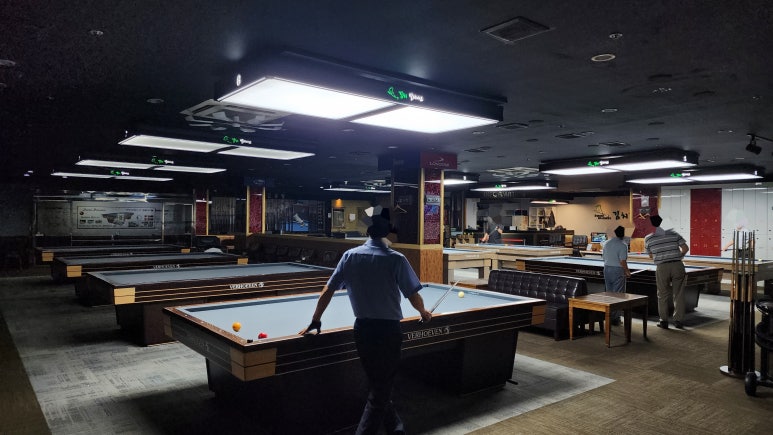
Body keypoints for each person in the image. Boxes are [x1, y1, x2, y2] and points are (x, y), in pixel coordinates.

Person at [300, 208, 432, 435]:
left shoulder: (350, 256)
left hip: (362, 331)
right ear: (387, 232)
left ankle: (396, 429)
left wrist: (316, 319)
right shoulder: (396, 259)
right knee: (381, 388)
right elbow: (413, 295)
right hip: (388, 332)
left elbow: (328, 290)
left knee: (378, 383)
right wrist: (423, 312)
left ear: (368, 232)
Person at [644, 215, 689, 329]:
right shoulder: (674, 234)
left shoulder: (648, 238)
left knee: (662, 295)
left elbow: (650, 255)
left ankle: (663, 321)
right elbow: (685, 248)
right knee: (679, 294)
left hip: (662, 267)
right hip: (677, 265)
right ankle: (678, 321)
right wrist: (679, 256)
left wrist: (660, 254)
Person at [602, 226, 631, 325]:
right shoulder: (623, 245)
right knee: (618, 295)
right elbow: (622, 261)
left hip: (606, 269)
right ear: (623, 234)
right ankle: (615, 318)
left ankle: (609, 316)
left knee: (609, 293)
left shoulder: (606, 243)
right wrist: (627, 271)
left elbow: (604, 257)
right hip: (617, 270)